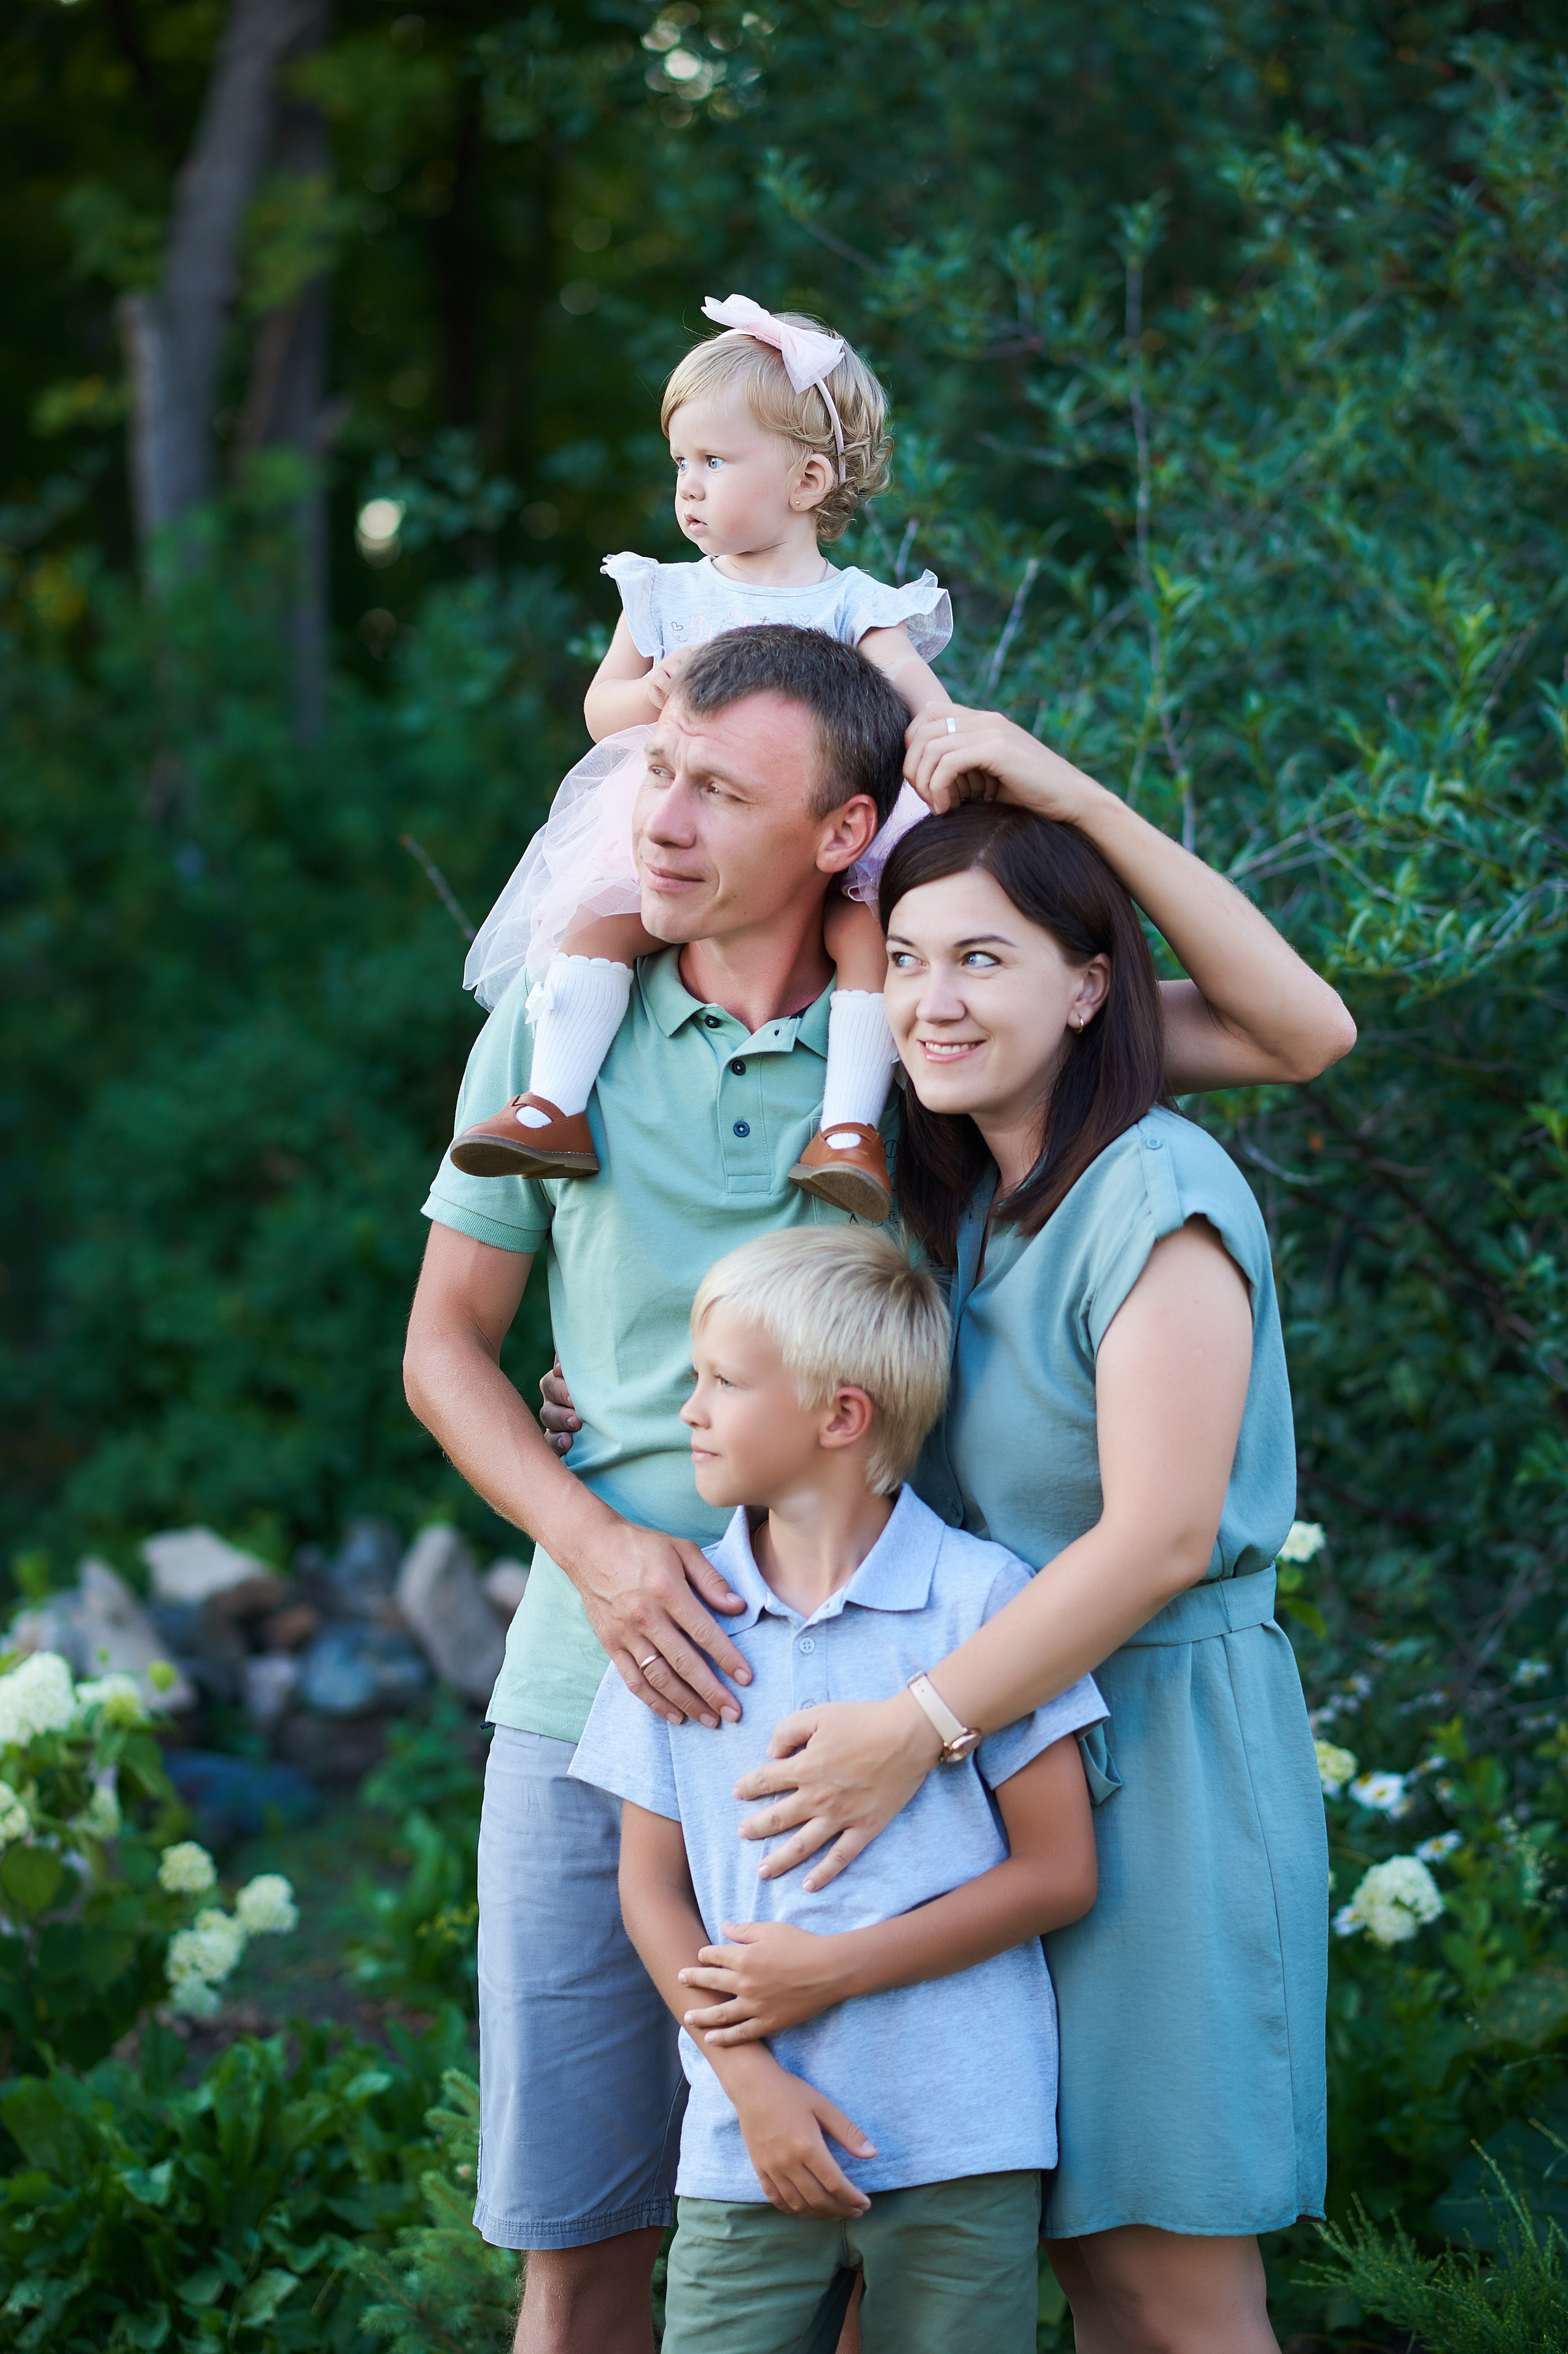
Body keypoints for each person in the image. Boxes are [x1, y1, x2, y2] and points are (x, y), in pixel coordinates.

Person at [404, 624, 1351, 2354]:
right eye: (656, 773)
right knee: (711, 2230)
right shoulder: (753, 1085)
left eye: (718, 788)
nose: (658, 819)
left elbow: (1295, 1033)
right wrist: (610, 1486)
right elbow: (490, 1344)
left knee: (1045, 2248)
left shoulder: (1039, 1137)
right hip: (768, 1711)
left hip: (999, 1716)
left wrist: (1056, 792)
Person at [701, 712, 1357, 2354]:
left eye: (985, 959)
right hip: (982, 1782)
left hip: (1155, 1759)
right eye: (908, 959)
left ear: (1087, 986)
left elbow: (1153, 1538)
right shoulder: (971, 1204)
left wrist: (912, 1733)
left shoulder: (1157, 1191)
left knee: (1158, 2280)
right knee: (980, 2255)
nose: (933, 997)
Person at [571, 1225, 1106, 2354]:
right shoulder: (681, 1618)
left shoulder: (983, 1603)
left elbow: (1059, 1872)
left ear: (841, 1415)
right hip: (745, 2140)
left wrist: (833, 1970)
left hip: (964, 2137)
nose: (691, 1409)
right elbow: (650, 1892)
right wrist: (750, 2083)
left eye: (723, 1380)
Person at [449, 291, 956, 1221]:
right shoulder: (665, 594)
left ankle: (849, 1130)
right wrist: (649, 697)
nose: (687, 484)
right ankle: (553, 1105)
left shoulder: (850, 603)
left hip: (817, 822)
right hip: (675, 816)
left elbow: (921, 700)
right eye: (681, 461)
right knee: (598, 925)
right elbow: (604, 709)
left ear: (807, 483)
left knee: (864, 937)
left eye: (715, 461)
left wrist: (948, 744)